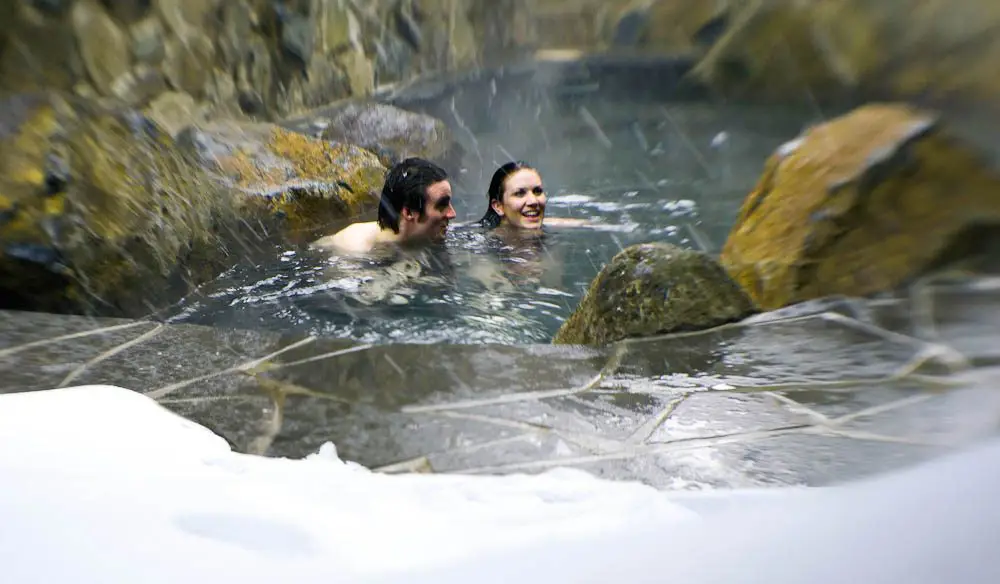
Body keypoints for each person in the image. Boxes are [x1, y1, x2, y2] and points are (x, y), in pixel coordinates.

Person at [311, 157, 457, 254]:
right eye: (442, 205)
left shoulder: (426, 237)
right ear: (409, 213)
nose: (453, 214)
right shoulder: (353, 247)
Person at [476, 161, 589, 231]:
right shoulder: (485, 249)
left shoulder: (552, 225)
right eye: (519, 193)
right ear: (498, 206)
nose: (533, 201)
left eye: (537, 191)